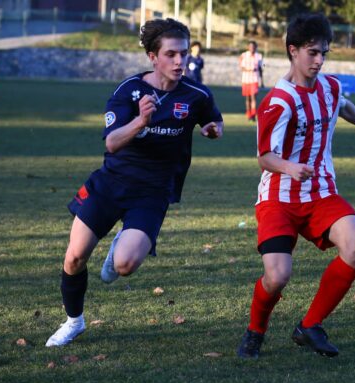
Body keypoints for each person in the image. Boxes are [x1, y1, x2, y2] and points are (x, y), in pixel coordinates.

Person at [46, 18, 224, 347]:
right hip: (110, 183)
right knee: (74, 258)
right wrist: (141, 121)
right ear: (153, 57)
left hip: (153, 191)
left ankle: (122, 243)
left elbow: (214, 119)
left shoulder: (196, 94)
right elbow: (112, 142)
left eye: (183, 53)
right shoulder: (129, 91)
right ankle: (74, 321)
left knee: (125, 265)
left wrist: (213, 130)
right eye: (171, 54)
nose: (179, 61)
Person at [236, 13, 355, 359]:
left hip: (320, 193)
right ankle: (255, 331)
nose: (319, 60)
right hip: (279, 198)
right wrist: (289, 167)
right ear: (293, 51)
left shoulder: (330, 87)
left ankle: (310, 326)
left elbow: (343, 105)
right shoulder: (278, 102)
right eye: (312, 53)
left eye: (324, 53)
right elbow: (264, 157)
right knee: (277, 276)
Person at [239, 40, 263, 122]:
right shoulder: (244, 55)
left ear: (256, 47)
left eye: (253, 47)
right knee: (248, 98)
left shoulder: (259, 56)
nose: (252, 48)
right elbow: (241, 67)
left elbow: (261, 68)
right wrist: (249, 70)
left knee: (253, 97)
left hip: (254, 79)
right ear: (248, 47)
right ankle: (248, 114)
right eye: (250, 47)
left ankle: (253, 114)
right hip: (246, 80)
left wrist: (262, 81)